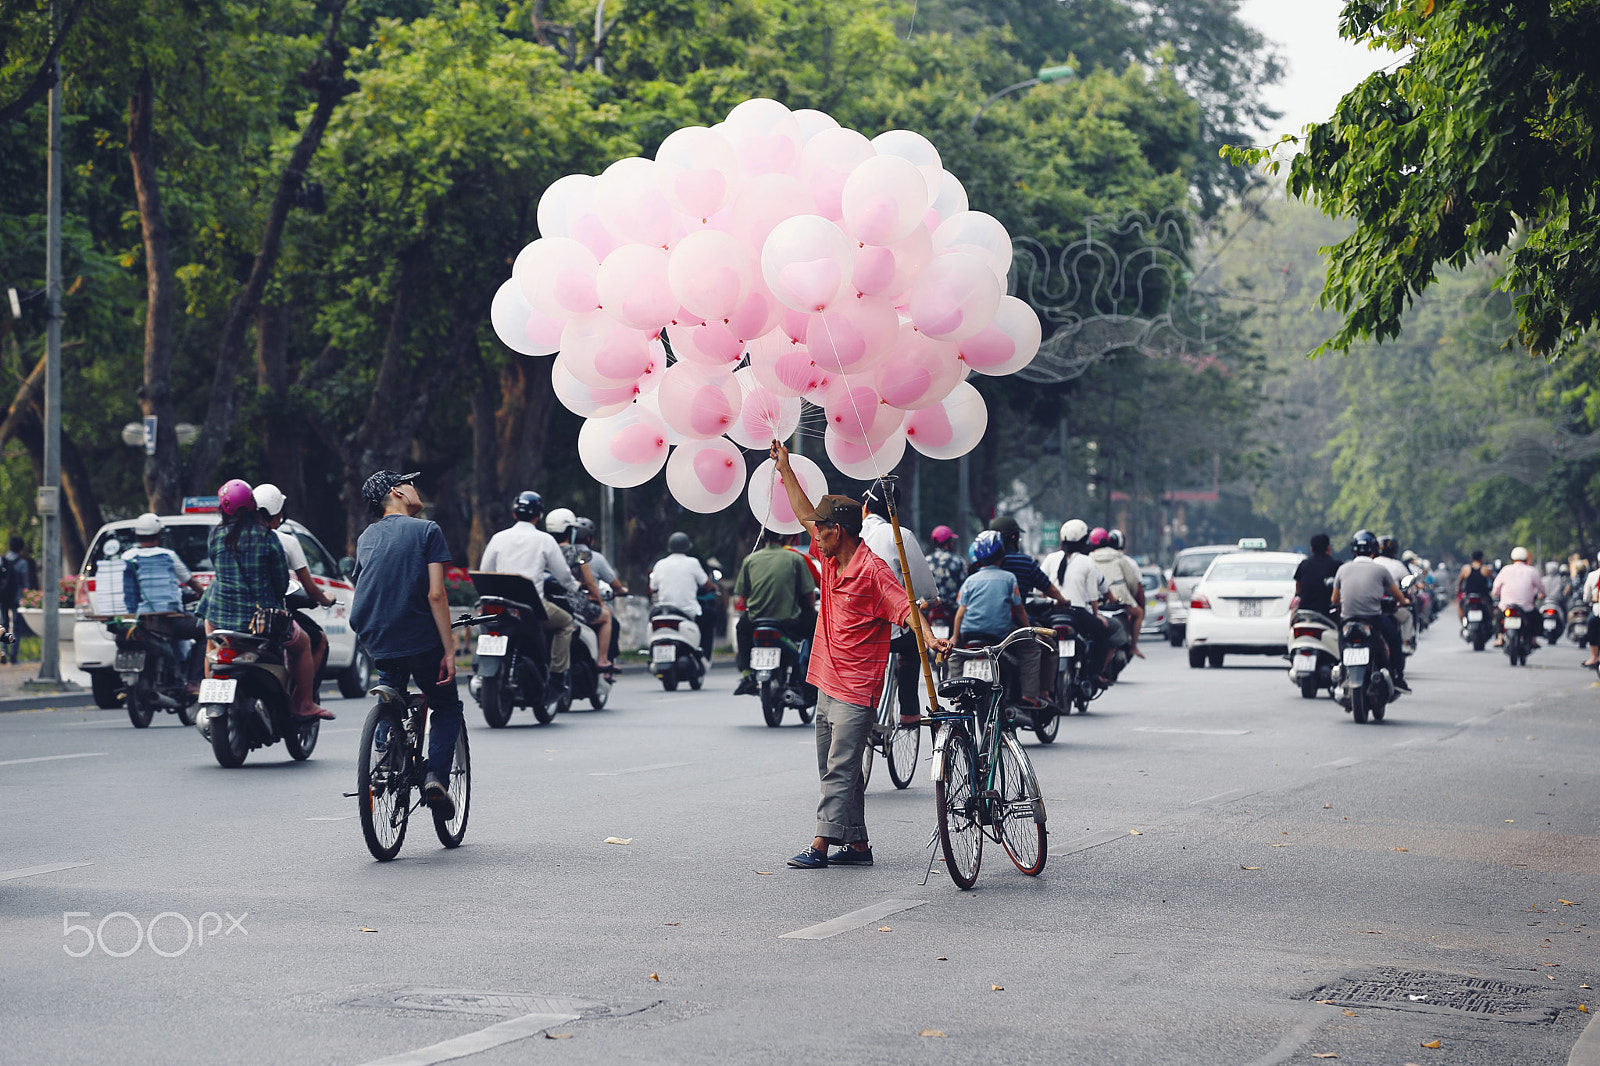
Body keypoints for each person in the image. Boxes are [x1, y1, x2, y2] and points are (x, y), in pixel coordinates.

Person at [770, 439, 950, 870]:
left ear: (840, 531)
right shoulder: (831, 557)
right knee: (836, 769)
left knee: (839, 768)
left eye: (822, 529)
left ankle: (820, 845)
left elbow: (907, 607)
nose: (815, 534)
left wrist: (929, 637)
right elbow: (800, 511)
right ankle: (858, 845)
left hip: (856, 688)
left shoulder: (873, 571)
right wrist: (785, 469)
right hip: (826, 681)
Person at [348, 470, 461, 817]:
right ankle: (436, 779)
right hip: (420, 638)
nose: (416, 489)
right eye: (410, 484)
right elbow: (436, 594)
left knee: (390, 686)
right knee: (445, 705)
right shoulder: (427, 530)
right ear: (397, 491)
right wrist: (450, 649)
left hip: (376, 636)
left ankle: (384, 758)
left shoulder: (366, 537)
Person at [198, 479, 332, 720]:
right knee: (303, 645)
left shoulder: (215, 535)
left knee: (211, 646)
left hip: (218, 618)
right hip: (260, 623)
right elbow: (281, 584)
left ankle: (210, 696)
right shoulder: (268, 538)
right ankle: (304, 703)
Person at [479, 491, 578, 698]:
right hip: (532, 605)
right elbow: (563, 575)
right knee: (566, 623)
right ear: (538, 516)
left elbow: (485, 569)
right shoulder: (545, 540)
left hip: (499, 604)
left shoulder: (498, 538)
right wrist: (574, 587)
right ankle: (557, 676)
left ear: (514, 514)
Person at [860, 480, 942, 724]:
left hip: (855, 626)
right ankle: (909, 712)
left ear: (865, 507)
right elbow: (925, 587)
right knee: (911, 648)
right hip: (891, 628)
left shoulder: (851, 533)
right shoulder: (900, 535)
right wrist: (931, 600)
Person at [955, 530, 1047, 708]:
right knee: (1031, 647)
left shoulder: (970, 581)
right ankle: (1029, 695)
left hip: (969, 634)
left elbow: (960, 613)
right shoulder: (1009, 578)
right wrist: (1029, 631)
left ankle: (958, 694)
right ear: (1001, 554)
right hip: (1000, 635)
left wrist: (954, 638)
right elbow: (1019, 609)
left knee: (955, 657)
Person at [121, 512, 206, 691]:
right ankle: (193, 681)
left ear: (137, 535)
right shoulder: (168, 556)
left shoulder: (126, 557)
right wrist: (203, 593)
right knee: (205, 631)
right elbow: (191, 581)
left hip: (136, 620)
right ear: (159, 535)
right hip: (167, 620)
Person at [732, 527, 816, 695]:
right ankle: (811, 675)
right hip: (789, 620)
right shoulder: (796, 558)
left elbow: (744, 595)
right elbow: (809, 595)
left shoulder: (750, 560)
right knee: (816, 625)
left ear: (764, 538)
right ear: (786, 538)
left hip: (756, 620)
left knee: (741, 629)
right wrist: (809, 609)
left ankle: (747, 674)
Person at [1331, 529, 1409, 691]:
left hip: (1348, 619)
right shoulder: (1380, 570)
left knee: (1339, 639)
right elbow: (1398, 597)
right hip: (1373, 619)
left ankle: (1341, 668)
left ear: (1353, 550)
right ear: (1374, 550)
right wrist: (1404, 601)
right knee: (1394, 639)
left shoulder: (1343, 569)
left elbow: (1334, 600)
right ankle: (1397, 676)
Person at [1045, 519, 1115, 685]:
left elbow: (1039, 591)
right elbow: (1093, 597)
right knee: (1104, 632)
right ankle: (1095, 674)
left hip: (1051, 613)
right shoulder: (1087, 561)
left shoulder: (1050, 558)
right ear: (1084, 541)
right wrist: (1097, 616)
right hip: (1077, 613)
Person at [544, 508, 614, 672]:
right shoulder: (578, 552)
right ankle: (603, 659)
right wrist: (599, 600)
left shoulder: (547, 549)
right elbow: (590, 583)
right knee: (606, 616)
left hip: (549, 601)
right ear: (569, 531)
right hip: (573, 603)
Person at [988, 515, 1070, 609]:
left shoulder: (984, 563)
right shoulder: (1025, 562)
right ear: (1014, 538)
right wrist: (1062, 601)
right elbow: (1048, 588)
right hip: (1017, 620)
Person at [1089, 527, 1146, 657]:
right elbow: (1133, 583)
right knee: (1139, 613)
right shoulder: (1121, 558)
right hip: (1118, 598)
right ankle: (1133, 646)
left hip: (1095, 598)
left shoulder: (1089, 558)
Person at [648, 532, 714, 631]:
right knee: (711, 614)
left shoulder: (660, 564)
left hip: (665, 611)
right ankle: (704, 646)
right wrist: (714, 587)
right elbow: (707, 584)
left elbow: (653, 587)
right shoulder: (693, 563)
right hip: (689, 611)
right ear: (687, 548)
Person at [1491, 546, 1546, 649]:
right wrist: (1542, 594)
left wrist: (1496, 594)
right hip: (1526, 608)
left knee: (1497, 617)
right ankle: (1533, 639)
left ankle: (1499, 638)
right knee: (1537, 618)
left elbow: (1496, 588)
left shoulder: (1505, 570)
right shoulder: (1532, 571)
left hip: (1506, 606)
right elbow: (1540, 587)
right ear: (1526, 558)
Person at [1294, 533, 1340, 617]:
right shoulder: (1336, 566)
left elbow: (1298, 585)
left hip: (1305, 612)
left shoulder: (1304, 564)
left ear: (1312, 549)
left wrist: (1298, 595)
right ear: (1328, 548)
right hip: (1328, 613)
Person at [927, 524, 966, 612]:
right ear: (947, 542)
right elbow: (964, 586)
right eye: (951, 541)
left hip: (930, 607)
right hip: (953, 608)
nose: (952, 543)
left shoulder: (927, 560)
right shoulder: (958, 561)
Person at [0, 535, 24, 664]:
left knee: (3, 624)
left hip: (2, 596)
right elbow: (24, 584)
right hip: (16, 598)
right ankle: (13, 656)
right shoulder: (21, 563)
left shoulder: (1, 560)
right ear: (21, 549)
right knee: (16, 626)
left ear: (9, 546)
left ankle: (3, 651)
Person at [1457, 550, 1493, 620]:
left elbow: (1459, 583)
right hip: (1483, 596)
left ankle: (1463, 624)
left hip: (1469, 596)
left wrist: (1459, 590)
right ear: (1481, 558)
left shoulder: (1465, 569)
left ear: (1472, 558)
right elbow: (1494, 581)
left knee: (1460, 607)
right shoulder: (1486, 569)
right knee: (1491, 606)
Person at [1581, 560, 1599, 669]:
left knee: (1591, 623)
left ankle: (1594, 657)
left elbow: (1586, 597)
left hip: (1597, 613)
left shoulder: (1593, 575)